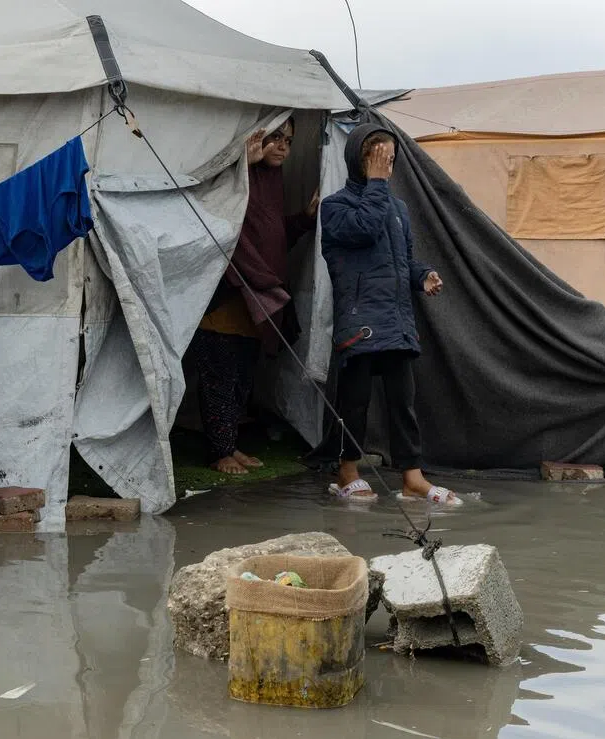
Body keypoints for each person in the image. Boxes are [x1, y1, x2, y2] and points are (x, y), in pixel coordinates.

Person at [319, 123, 461, 506]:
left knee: (403, 400)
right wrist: (377, 183)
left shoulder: (398, 208)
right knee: (356, 401)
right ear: (356, 158)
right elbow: (363, 231)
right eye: (376, 157)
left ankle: (412, 478)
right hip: (360, 318)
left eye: (390, 160)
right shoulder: (335, 206)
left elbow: (403, 259)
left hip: (396, 319)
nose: (385, 166)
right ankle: (347, 471)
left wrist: (422, 276)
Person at [190, 118, 319, 475]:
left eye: (288, 141)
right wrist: (240, 167)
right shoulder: (237, 177)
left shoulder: (273, 181)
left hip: (260, 295)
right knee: (219, 374)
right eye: (275, 137)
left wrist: (305, 220)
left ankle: (230, 445)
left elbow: (272, 235)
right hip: (229, 291)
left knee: (242, 377)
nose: (282, 147)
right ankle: (219, 452)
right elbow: (207, 204)